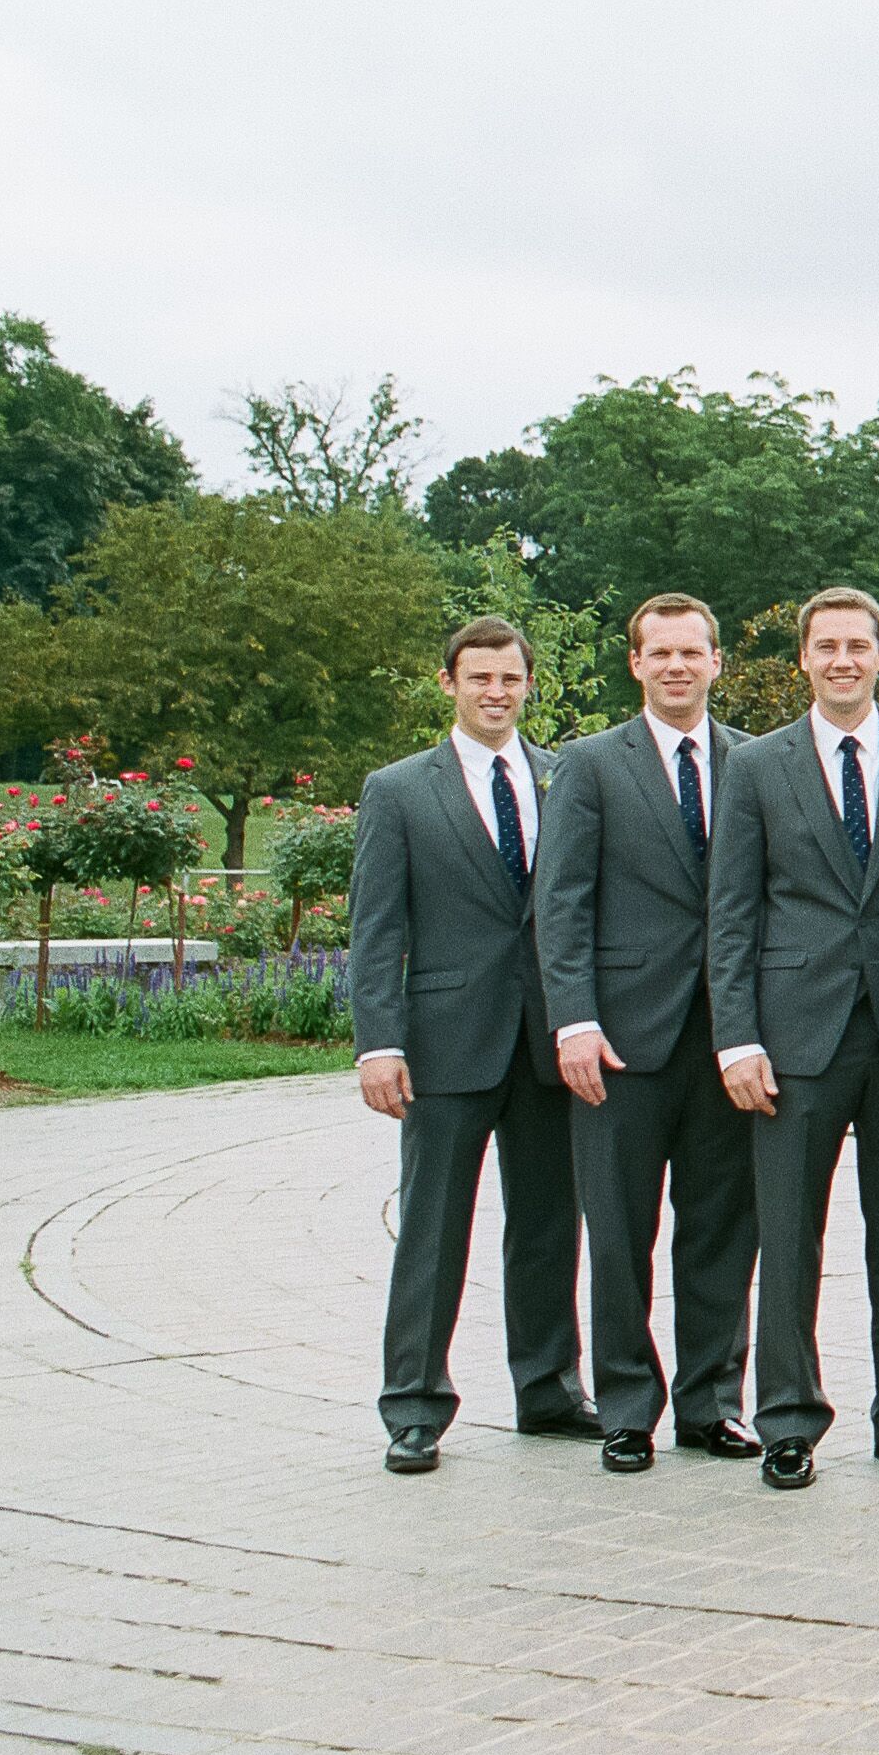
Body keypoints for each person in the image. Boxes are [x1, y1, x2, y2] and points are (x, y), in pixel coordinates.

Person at [708, 586, 879, 1488]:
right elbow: (730, 912)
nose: (843, 660)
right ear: (803, 660)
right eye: (827, 646)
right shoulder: (758, 767)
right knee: (790, 1235)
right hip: (792, 1037)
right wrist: (736, 1038)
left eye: (859, 645)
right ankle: (788, 1418)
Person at [348, 618, 592, 1470]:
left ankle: (550, 1389)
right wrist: (378, 1042)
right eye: (480, 677)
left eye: (511, 679)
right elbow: (376, 931)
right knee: (433, 1225)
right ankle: (414, 1405)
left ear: (529, 686)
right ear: (449, 683)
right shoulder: (400, 790)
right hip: (446, 1042)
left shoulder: (567, 778)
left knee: (549, 1224)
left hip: (548, 1043)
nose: (496, 692)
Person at [535, 594, 758, 1473]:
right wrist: (575, 1023)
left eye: (691, 653)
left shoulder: (756, 761)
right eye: (658, 653)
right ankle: (628, 1406)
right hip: (621, 1043)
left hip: (729, 1041)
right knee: (620, 1231)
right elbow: (561, 904)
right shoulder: (589, 766)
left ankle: (712, 1403)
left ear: (716, 661)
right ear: (635, 664)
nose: (676, 667)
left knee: (721, 1228)